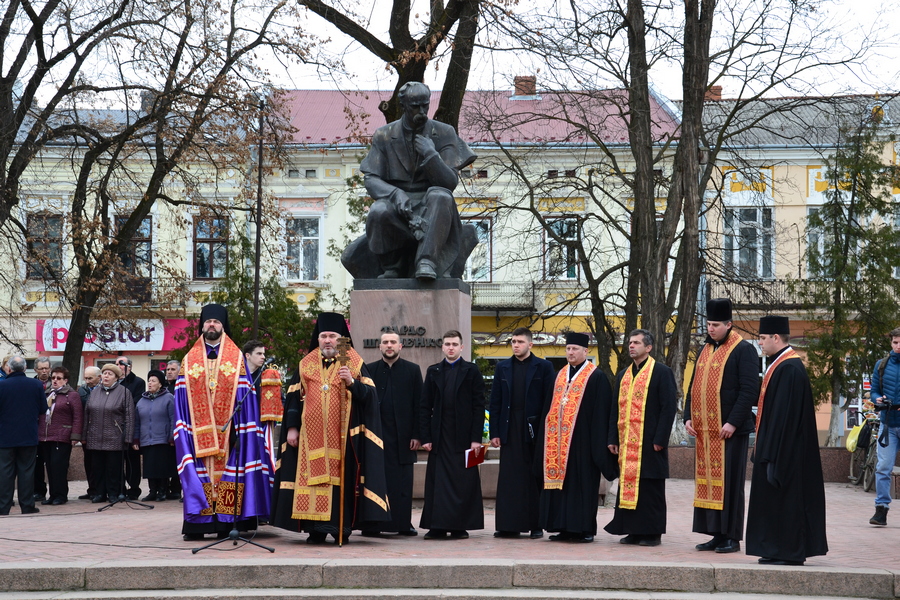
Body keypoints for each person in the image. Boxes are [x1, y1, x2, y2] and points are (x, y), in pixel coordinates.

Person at [271, 312, 389, 544]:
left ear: (341, 338)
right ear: (318, 338)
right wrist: (292, 428)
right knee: (311, 479)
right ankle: (315, 529)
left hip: (343, 436)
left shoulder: (353, 362)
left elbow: (370, 397)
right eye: (323, 336)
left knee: (341, 481)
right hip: (309, 437)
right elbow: (294, 398)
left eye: (332, 336)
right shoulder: (306, 363)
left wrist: (352, 383)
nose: (327, 340)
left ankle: (340, 527)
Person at [341, 81, 478, 280]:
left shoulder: (444, 132)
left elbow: (449, 182)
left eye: (425, 105)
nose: (422, 111)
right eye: (415, 106)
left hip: (433, 206)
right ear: (404, 106)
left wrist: (431, 155)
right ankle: (392, 267)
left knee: (441, 195)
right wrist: (395, 194)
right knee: (379, 210)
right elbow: (371, 179)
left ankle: (426, 261)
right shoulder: (384, 135)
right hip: (398, 205)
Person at [173, 304, 271, 541]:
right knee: (200, 473)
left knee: (229, 475)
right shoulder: (190, 359)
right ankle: (198, 524)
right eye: (208, 322)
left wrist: (240, 428)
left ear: (223, 326)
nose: (212, 325)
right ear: (202, 325)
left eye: (216, 322)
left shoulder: (236, 357)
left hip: (230, 432)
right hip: (198, 431)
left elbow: (245, 396)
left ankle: (227, 524)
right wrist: (185, 427)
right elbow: (181, 398)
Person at [746, 316, 827, 565]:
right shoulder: (779, 365)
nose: (759, 342)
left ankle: (790, 552)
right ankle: (775, 548)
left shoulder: (789, 368)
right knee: (775, 502)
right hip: (777, 447)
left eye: (762, 338)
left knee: (789, 501)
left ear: (776, 338)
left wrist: (771, 454)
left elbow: (784, 417)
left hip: (787, 451)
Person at [683, 298, 759, 554]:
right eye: (708, 324)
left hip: (731, 431)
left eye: (715, 324)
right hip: (706, 431)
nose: (711, 329)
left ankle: (732, 537)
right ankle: (715, 534)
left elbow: (749, 390)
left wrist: (732, 422)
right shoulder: (706, 349)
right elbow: (693, 386)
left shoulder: (743, 349)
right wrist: (687, 417)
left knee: (730, 485)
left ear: (729, 324)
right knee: (708, 482)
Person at [537, 332, 617, 543]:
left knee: (582, 486)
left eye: (575, 349)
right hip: (558, 444)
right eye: (568, 349)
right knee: (560, 487)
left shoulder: (596, 376)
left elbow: (602, 412)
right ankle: (561, 527)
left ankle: (583, 529)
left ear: (585, 351)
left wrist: (599, 444)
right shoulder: (560, 375)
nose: (570, 353)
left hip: (584, 443)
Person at [605, 329, 677, 547]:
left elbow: (668, 407)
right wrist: (612, 438)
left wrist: (661, 438)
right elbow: (614, 409)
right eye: (630, 342)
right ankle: (633, 530)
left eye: (636, 343)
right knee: (628, 485)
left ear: (649, 347)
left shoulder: (661, 372)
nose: (631, 346)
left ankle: (652, 533)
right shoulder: (623, 374)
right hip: (627, 442)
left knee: (649, 487)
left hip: (650, 441)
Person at [489, 327, 556, 539]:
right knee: (509, 478)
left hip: (533, 429)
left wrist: (546, 430)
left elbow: (549, 400)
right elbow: (495, 401)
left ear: (530, 344)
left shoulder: (544, 367)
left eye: (519, 341)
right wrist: (495, 432)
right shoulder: (503, 367)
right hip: (509, 427)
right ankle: (508, 525)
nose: (516, 345)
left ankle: (535, 525)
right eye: (513, 342)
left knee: (532, 477)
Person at [419, 330, 485, 539]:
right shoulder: (434, 371)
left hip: (464, 437)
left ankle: (459, 526)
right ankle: (436, 526)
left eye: (454, 344)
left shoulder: (471, 371)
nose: (450, 347)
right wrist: (426, 437)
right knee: (437, 482)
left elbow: (478, 406)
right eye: (447, 344)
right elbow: (424, 406)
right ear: (442, 347)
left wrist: (476, 439)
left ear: (461, 347)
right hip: (439, 435)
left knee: (463, 482)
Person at [363, 331, 423, 536]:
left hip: (404, 438)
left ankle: (402, 524)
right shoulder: (369, 370)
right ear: (380, 347)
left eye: (393, 342)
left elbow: (419, 406)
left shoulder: (412, 371)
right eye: (385, 342)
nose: (389, 345)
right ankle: (374, 524)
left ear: (400, 347)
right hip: (376, 436)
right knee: (377, 480)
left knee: (402, 483)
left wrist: (417, 434)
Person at [82, 363, 135, 504]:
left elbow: (129, 416)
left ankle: (114, 493)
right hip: (95, 437)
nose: (106, 376)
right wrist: (84, 436)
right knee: (97, 468)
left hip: (115, 437)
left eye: (109, 374)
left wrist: (128, 436)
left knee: (113, 469)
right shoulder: (94, 392)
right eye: (104, 373)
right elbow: (87, 414)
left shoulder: (124, 392)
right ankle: (99, 493)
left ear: (116, 378)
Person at [0, 356, 45, 515]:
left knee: (5, 472)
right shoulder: (36, 384)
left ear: (9, 369)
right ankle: (27, 506)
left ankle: (3, 507)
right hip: (28, 434)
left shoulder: (1, 385)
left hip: (5, 436)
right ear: (25, 368)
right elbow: (42, 409)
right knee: (26, 472)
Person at [35, 366, 83, 505]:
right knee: (49, 467)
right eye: (53, 378)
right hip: (46, 436)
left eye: (59, 378)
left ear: (65, 380)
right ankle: (52, 495)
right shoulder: (48, 393)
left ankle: (61, 495)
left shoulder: (72, 395)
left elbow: (78, 416)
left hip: (62, 436)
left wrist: (75, 436)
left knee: (59, 467)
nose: (55, 381)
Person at [869, 327, 900, 526]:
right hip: (888, 424)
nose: (898, 346)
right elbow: (873, 391)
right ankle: (881, 510)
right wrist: (876, 399)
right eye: (895, 342)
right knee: (883, 468)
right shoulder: (881, 365)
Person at [132, 370, 176, 502]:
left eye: (153, 381)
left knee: (161, 467)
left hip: (162, 439)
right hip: (146, 439)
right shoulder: (142, 400)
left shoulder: (168, 398)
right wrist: (136, 439)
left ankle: (162, 490)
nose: (150, 383)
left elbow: (173, 418)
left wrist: (172, 436)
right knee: (149, 467)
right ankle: (152, 491)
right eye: (149, 381)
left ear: (160, 384)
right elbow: (137, 421)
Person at [242, 339, 282, 483]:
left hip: (260, 427)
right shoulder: (237, 377)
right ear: (247, 356)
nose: (263, 357)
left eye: (263, 354)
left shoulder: (267, 377)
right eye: (259, 354)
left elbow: (279, 401)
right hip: (241, 427)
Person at [115, 357, 145, 500]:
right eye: (116, 364)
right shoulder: (113, 383)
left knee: (132, 460)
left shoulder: (138, 382)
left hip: (131, 426)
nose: (118, 366)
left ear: (129, 366)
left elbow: (135, 402)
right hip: (115, 427)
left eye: (121, 364)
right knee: (118, 461)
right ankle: (120, 489)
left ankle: (133, 489)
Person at [76, 366, 101, 500]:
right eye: (85, 378)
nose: (87, 381)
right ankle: (92, 489)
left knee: (99, 463)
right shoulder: (82, 390)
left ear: (99, 377)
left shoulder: (104, 389)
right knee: (89, 462)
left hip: (102, 431)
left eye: (90, 378)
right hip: (87, 431)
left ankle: (101, 489)